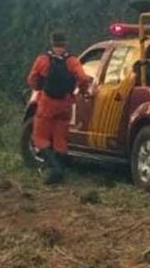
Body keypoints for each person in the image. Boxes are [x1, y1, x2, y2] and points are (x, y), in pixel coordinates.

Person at [26, 31, 92, 184]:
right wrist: (82, 90)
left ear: (52, 43)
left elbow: (32, 80)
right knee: (60, 139)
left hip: (46, 104)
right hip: (65, 104)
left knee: (40, 138)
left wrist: (39, 86)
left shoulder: (43, 60)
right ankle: (60, 171)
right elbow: (83, 78)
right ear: (65, 43)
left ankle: (55, 169)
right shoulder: (72, 61)